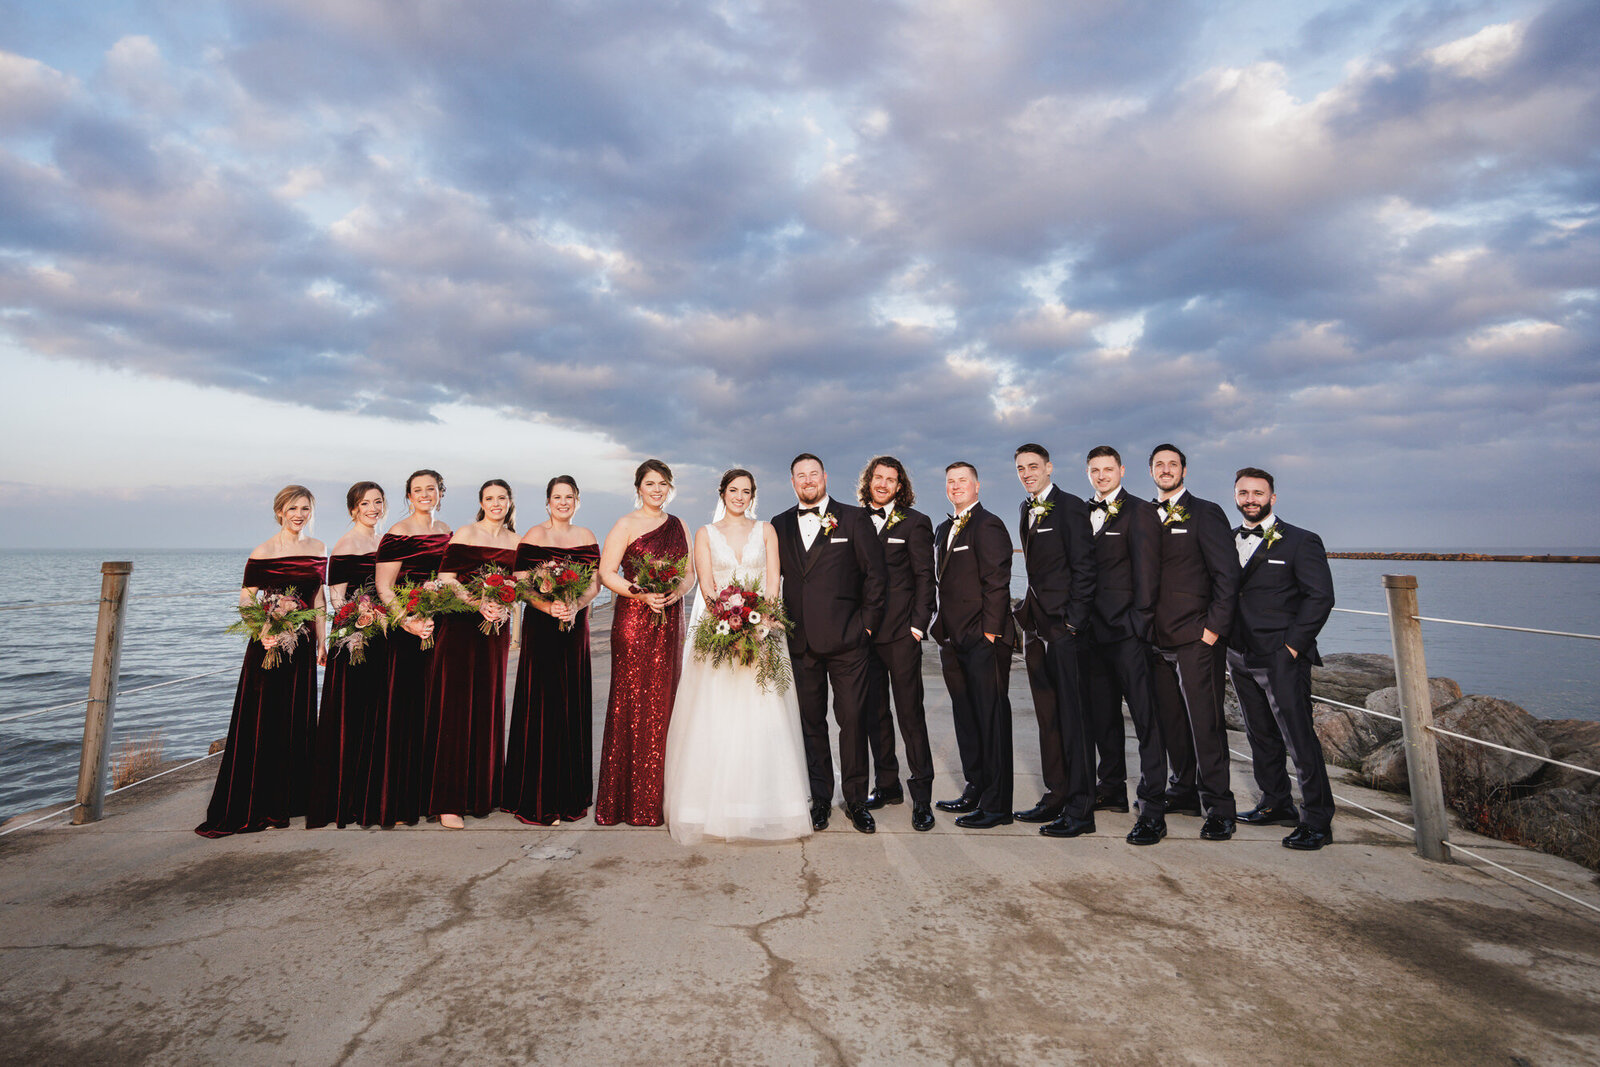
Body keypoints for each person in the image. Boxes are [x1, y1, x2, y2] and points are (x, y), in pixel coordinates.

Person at [662, 469, 813, 844]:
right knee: (719, 716)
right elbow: (709, 587)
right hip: (720, 636)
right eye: (734, 490)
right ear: (722, 493)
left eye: (746, 491)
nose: (740, 497)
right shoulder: (705, 534)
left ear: (753, 495)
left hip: (762, 634)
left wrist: (760, 624)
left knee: (764, 716)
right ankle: (715, 806)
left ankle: (766, 804)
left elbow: (774, 580)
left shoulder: (766, 531)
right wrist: (730, 625)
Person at [196, 486, 327, 837]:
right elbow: (246, 600)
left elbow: (318, 599)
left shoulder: (318, 549)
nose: (298, 514)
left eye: (305, 508)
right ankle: (262, 800)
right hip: (269, 646)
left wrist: (322, 643)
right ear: (279, 511)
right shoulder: (263, 551)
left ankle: (292, 798)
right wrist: (262, 631)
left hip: (302, 647)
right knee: (265, 719)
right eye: (292, 508)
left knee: (297, 718)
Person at [772, 453, 887, 834]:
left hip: (848, 642)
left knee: (852, 721)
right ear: (792, 483)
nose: (807, 480)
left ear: (825, 476)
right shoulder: (779, 524)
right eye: (800, 476)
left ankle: (856, 800)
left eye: (813, 474)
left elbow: (875, 576)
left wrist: (866, 628)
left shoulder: (854, 518)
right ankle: (820, 797)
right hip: (800, 642)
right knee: (811, 723)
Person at [1227, 467, 1337, 851]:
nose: (1251, 499)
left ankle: (1318, 820)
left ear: (1273, 498)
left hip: (1281, 656)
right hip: (1238, 654)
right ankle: (1275, 802)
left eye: (1258, 493)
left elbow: (1320, 597)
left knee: (1299, 739)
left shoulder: (1301, 541)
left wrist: (1291, 647)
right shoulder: (1228, 540)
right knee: (1259, 735)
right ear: (1236, 496)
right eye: (1244, 493)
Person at [595, 459, 696, 826]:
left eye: (663, 484)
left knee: (665, 700)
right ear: (638, 487)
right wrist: (640, 593)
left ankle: (660, 798)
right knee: (631, 702)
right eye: (650, 483)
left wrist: (675, 593)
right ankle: (625, 800)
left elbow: (689, 574)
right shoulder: (625, 524)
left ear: (669, 487)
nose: (657, 489)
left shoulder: (679, 524)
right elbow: (606, 572)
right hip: (634, 622)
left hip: (670, 619)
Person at [1147, 445, 1240, 841]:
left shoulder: (1206, 512)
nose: (1166, 470)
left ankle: (1220, 806)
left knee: (1206, 724)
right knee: (1172, 725)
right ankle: (1182, 791)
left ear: (1184, 469)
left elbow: (1228, 575)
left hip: (1196, 638)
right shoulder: (1145, 515)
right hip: (1155, 639)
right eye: (1159, 465)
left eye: (1172, 464)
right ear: (1151, 471)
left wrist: (1212, 630)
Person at [1080, 446, 1169, 846]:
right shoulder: (1082, 512)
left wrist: (1139, 624)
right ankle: (1111, 787)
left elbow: (1149, 574)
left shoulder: (1141, 512)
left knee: (1146, 722)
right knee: (1103, 718)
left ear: (1122, 470)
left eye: (1108, 469)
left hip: (1128, 635)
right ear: (1089, 473)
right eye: (1095, 471)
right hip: (1092, 635)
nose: (1101, 476)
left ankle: (1152, 808)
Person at [1010, 444, 1098, 839]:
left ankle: (1081, 808)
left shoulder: (1072, 507)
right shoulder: (1025, 509)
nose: (1027, 473)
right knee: (1048, 716)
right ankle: (1055, 794)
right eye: (1020, 468)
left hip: (1065, 630)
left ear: (1049, 467)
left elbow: (1085, 568)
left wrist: (1073, 624)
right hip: (1035, 628)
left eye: (1033, 466)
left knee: (1074, 719)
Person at [503, 475, 601, 825]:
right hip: (542, 627)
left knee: (571, 702)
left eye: (569, 497)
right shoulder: (533, 536)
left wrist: (576, 605)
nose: (563, 502)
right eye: (557, 497)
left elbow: (594, 583)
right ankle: (537, 796)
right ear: (548, 502)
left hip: (575, 627)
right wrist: (549, 608)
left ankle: (570, 794)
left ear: (577, 501)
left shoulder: (587, 536)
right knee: (542, 704)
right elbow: (520, 584)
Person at [423, 479, 521, 828]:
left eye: (502, 498)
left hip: (496, 629)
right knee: (456, 708)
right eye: (489, 498)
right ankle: (449, 801)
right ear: (482, 503)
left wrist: (508, 612)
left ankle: (484, 793)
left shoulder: (516, 541)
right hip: (461, 627)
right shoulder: (465, 533)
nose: (496, 504)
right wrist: (477, 601)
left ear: (510, 502)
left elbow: (519, 586)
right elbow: (446, 578)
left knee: (488, 705)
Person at [931, 462, 1018, 829]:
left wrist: (990, 634)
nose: (956, 486)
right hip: (952, 640)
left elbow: (998, 583)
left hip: (984, 641)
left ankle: (997, 806)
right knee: (966, 718)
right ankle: (976, 787)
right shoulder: (942, 529)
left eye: (962, 480)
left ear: (977, 485)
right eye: (950, 482)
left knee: (992, 720)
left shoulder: (989, 524)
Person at [856, 456, 937, 832]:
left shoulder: (916, 523)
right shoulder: (852, 520)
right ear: (869, 481)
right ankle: (886, 786)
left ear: (900, 485)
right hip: (864, 638)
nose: (883, 484)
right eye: (878, 477)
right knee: (875, 715)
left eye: (891, 479)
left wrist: (919, 626)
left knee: (910, 716)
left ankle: (922, 798)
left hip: (902, 635)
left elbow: (925, 578)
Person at [369, 469, 451, 828]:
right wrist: (408, 621)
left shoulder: (447, 531)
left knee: (438, 711)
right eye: (417, 490)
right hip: (407, 630)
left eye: (430, 489)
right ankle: (400, 803)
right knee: (406, 711)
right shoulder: (398, 534)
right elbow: (384, 588)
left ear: (440, 493)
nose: (424, 494)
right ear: (408, 496)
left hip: (442, 627)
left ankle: (433, 798)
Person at [307, 481, 385, 830]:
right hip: (355, 639)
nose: (372, 508)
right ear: (353, 508)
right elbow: (336, 599)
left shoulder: (383, 542)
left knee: (379, 714)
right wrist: (362, 620)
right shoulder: (344, 545)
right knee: (353, 714)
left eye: (377, 502)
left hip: (384, 635)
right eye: (365, 503)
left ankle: (375, 790)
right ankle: (348, 797)